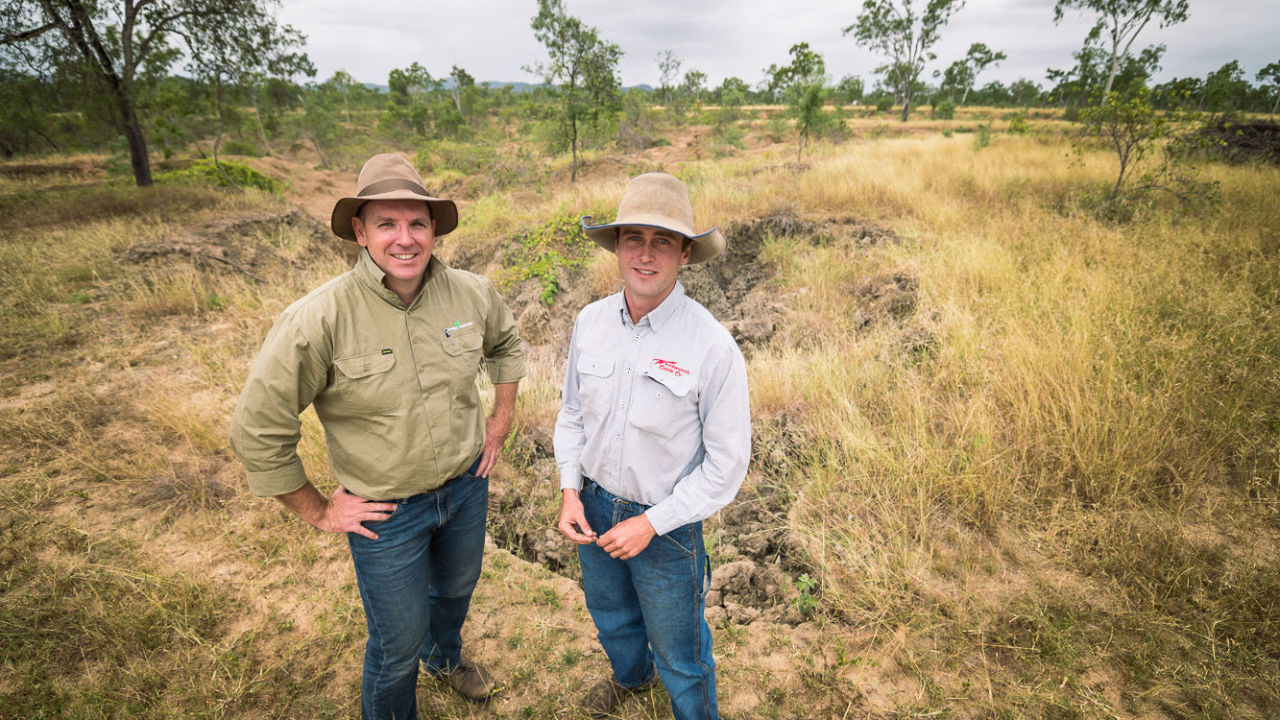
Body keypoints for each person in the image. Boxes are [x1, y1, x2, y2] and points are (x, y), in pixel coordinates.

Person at [229, 153, 524, 720]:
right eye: (386, 223)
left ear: (434, 228)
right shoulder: (318, 319)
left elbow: (506, 346)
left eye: (417, 222)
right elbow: (257, 430)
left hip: (466, 488)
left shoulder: (471, 295)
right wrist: (319, 510)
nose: (405, 238)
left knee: (458, 588)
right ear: (360, 232)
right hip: (386, 515)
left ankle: (445, 657)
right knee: (395, 649)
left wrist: (501, 417)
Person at [553, 172, 751, 720]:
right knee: (612, 616)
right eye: (633, 238)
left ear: (685, 254)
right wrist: (571, 491)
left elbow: (727, 465)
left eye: (662, 240)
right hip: (593, 507)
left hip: (665, 527)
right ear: (616, 246)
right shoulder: (590, 322)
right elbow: (572, 415)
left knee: (681, 651)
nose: (645, 254)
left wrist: (652, 523)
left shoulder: (711, 345)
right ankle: (632, 679)